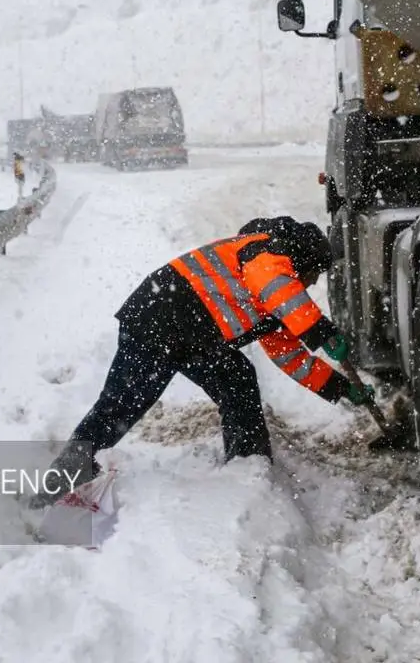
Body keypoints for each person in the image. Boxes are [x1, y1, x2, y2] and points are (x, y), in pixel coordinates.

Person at [30, 216, 375, 509]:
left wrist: (339, 386)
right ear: (304, 260)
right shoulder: (268, 252)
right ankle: (56, 485)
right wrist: (321, 332)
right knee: (121, 406)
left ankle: (248, 463)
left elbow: (289, 355)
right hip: (158, 318)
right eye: (314, 275)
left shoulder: (278, 292)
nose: (313, 283)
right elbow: (280, 292)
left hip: (194, 336)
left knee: (237, 377)